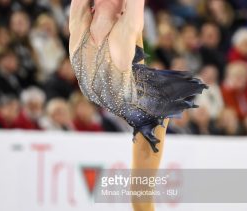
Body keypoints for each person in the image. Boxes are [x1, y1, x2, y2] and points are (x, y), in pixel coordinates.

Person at [68, 2, 207, 210]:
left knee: (140, 199)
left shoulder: (120, 27)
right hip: (108, 82)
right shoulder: (83, 23)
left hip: (146, 107)